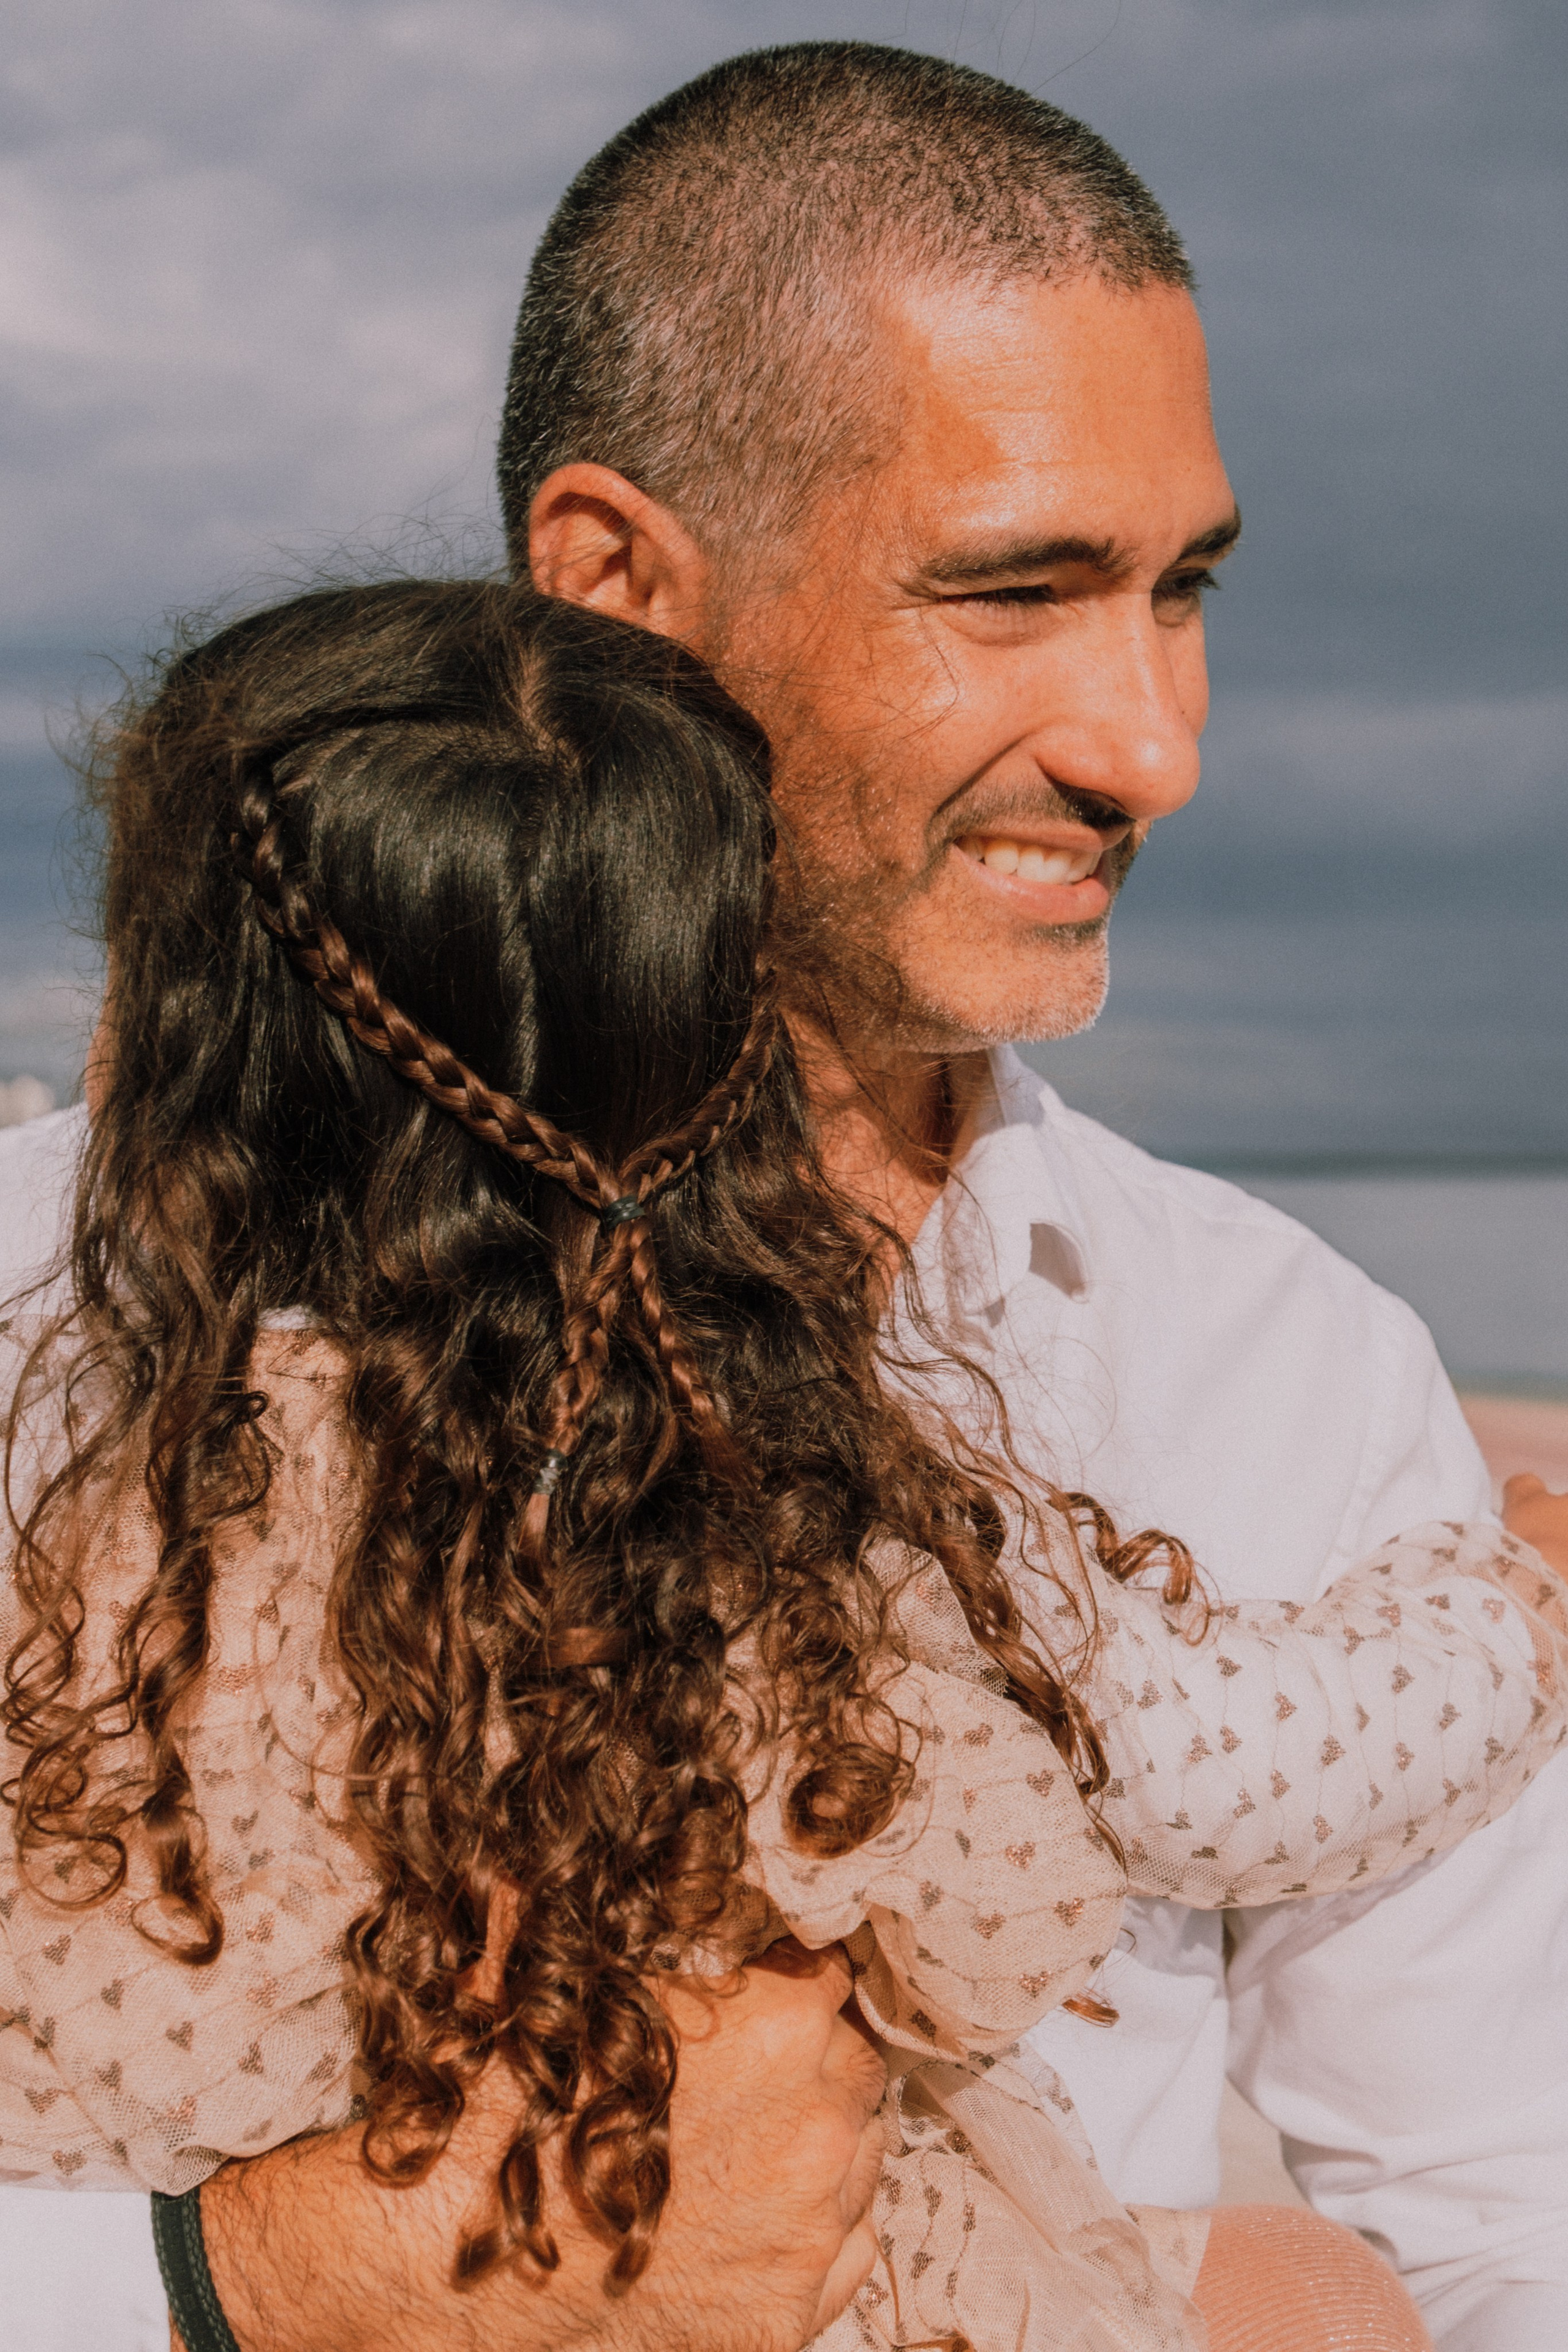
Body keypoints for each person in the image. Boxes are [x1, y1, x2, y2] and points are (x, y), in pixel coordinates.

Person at [3, 37, 1566, 2352]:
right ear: (613, 592)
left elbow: (1501, 2229)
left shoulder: (1288, 1369)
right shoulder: (38, 1308)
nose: (1154, 742)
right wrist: (294, 2278)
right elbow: (1199, 1749)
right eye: (1017, 589)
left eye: (1182, 590)